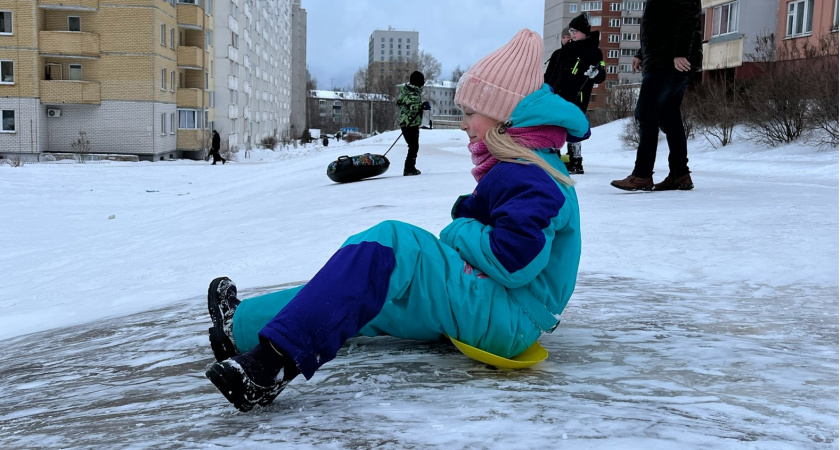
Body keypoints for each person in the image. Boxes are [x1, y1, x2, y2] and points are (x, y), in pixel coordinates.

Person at [203, 29, 590, 412]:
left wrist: (461, 229)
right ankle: (242, 325)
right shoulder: (522, 165)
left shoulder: (532, 173)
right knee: (369, 288)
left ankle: (270, 367)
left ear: (504, 115)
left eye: (470, 113)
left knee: (391, 244)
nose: (463, 124)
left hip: (509, 316)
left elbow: (513, 260)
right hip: (495, 309)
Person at [610, 0, 702, 191]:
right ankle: (680, 174)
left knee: (646, 114)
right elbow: (658, 25)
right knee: (670, 117)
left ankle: (642, 175)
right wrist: (641, 54)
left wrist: (680, 53)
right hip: (663, 59)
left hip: (668, 62)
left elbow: (688, 16)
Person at [544, 13, 606, 175]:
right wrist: (547, 89)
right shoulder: (565, 50)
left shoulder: (594, 51)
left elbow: (601, 73)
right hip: (557, 94)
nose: (571, 35)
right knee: (554, 124)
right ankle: (554, 156)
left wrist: (595, 74)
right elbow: (554, 73)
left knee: (573, 125)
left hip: (578, 96)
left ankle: (575, 159)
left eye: (574, 31)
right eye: (570, 32)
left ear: (584, 31)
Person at [396, 70, 431, 176]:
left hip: (407, 122)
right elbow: (411, 106)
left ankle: (410, 167)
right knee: (413, 146)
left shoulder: (408, 91)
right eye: (422, 80)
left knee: (412, 146)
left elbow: (400, 103)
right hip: (410, 123)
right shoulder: (413, 93)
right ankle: (409, 168)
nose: (423, 83)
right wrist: (422, 106)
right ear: (418, 81)